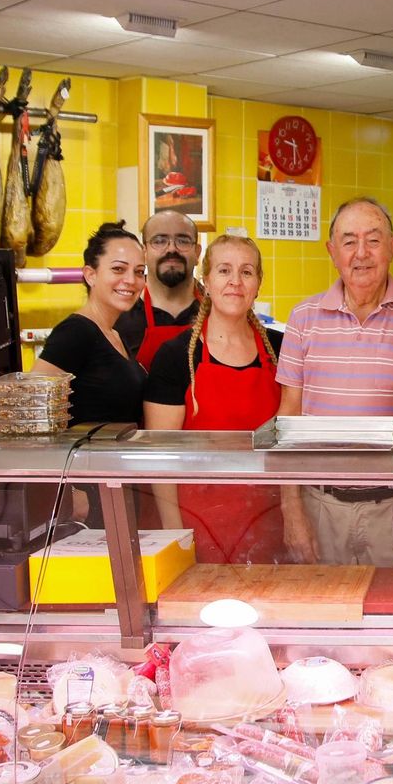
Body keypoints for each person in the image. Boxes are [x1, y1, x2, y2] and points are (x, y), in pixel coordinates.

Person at [275, 197, 393, 567]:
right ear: (332, 251)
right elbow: (288, 418)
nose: (361, 253)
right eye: (349, 241)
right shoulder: (303, 318)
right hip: (320, 508)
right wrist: (291, 509)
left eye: (374, 240)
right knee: (323, 617)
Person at [144, 234, 287, 564]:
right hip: (194, 522)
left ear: (259, 283)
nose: (235, 282)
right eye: (224, 271)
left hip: (267, 521)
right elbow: (159, 456)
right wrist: (174, 537)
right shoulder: (177, 355)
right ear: (206, 280)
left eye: (247, 272)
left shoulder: (280, 349)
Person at [30, 221, 147, 425]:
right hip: (84, 456)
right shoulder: (76, 332)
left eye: (139, 272)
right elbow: (32, 405)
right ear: (91, 275)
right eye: (118, 269)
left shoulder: (114, 334)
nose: (131, 280)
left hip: (111, 454)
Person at [117, 210, 203, 368]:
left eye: (183, 241)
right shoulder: (119, 315)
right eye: (159, 241)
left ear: (197, 253)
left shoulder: (217, 311)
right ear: (144, 252)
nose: (171, 249)